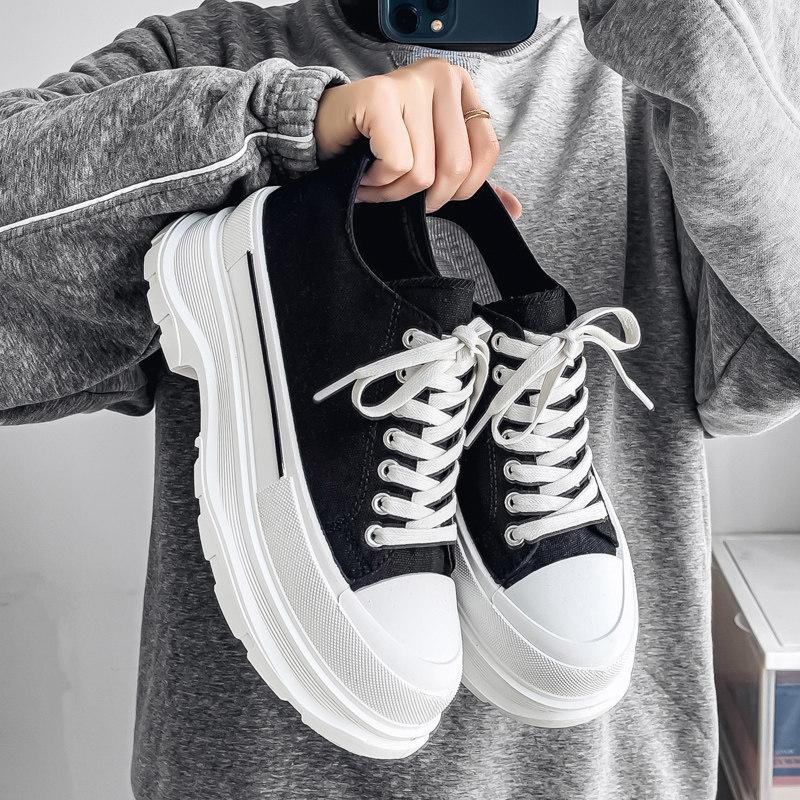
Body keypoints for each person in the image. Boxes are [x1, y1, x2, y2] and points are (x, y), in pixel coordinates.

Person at [1, 0, 798, 798]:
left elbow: (773, 362)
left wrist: (693, 32)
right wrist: (280, 125)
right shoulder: (210, 55)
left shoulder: (672, 78)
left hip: (605, 774)